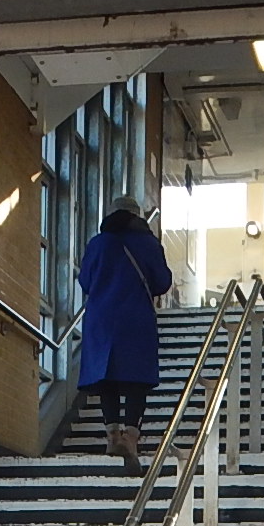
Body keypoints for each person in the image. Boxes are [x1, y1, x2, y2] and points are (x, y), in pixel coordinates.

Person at [77, 194, 173, 471]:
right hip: (135, 317)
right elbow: (162, 282)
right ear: (137, 216)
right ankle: (130, 437)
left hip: (101, 318)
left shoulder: (97, 243)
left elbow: (85, 281)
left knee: (105, 377)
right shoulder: (148, 243)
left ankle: (111, 435)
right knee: (136, 379)